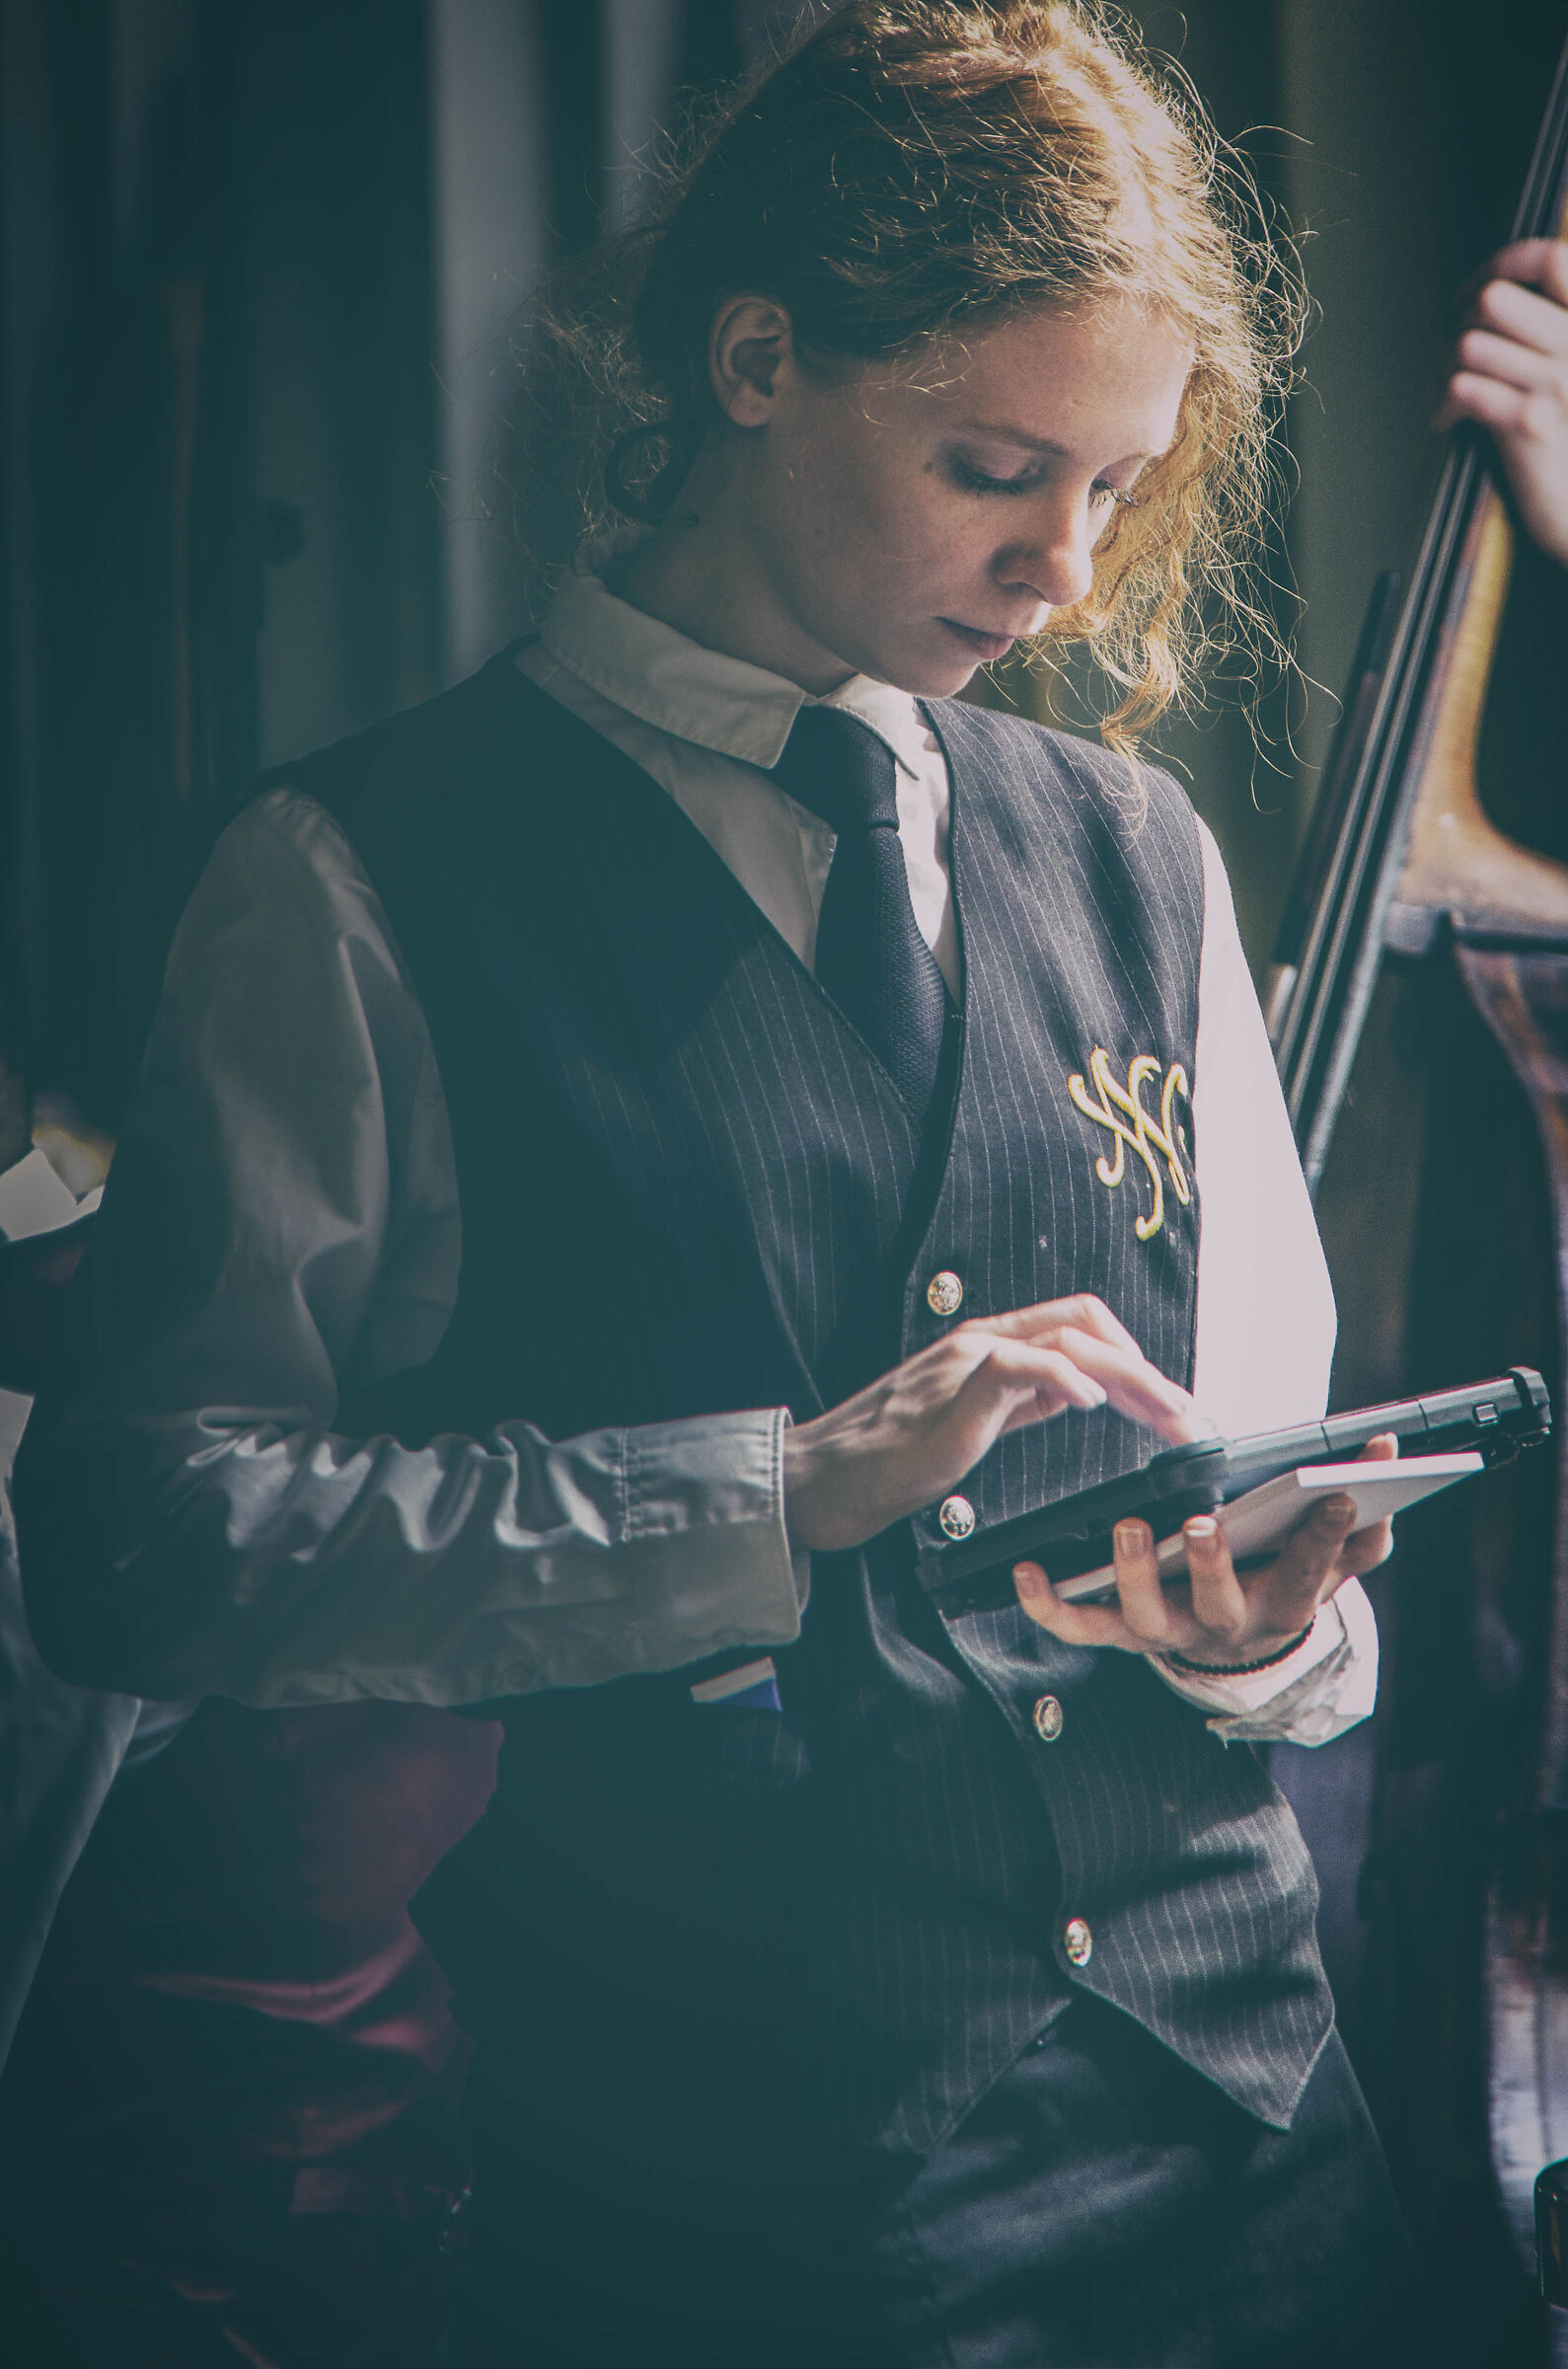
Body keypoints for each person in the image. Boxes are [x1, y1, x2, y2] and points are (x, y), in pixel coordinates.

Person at [14, 3, 1568, 2363]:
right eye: (989, 466)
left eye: (1120, 492)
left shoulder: (1139, 852)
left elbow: (1273, 1514)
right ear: (757, 358)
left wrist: (1272, 1636)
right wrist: (781, 1487)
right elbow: (146, 1539)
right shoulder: (350, 878)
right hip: (733, 2210)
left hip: (1265, 2154)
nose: (1062, 567)